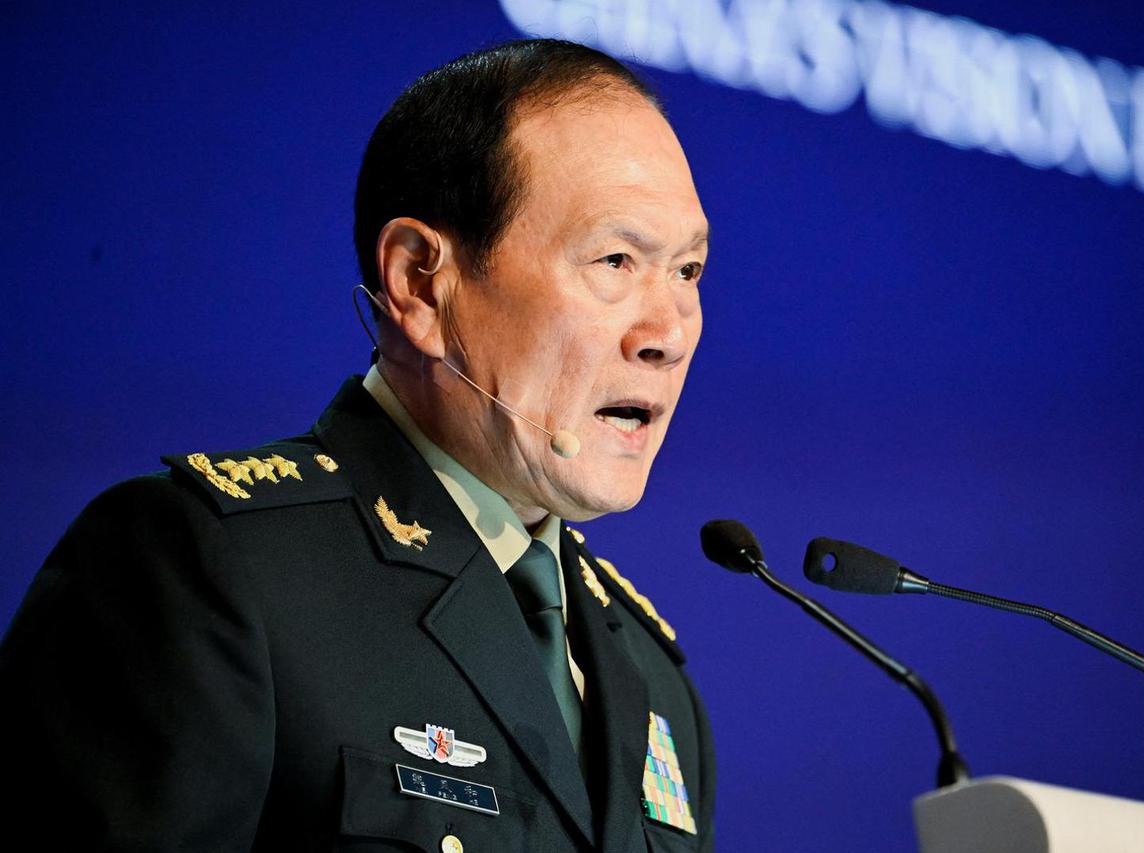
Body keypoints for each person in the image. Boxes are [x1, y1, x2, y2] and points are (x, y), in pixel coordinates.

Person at [0, 39, 714, 852]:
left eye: (688, 271)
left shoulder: (655, 684)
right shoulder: (209, 572)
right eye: (616, 260)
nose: (668, 333)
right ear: (419, 284)